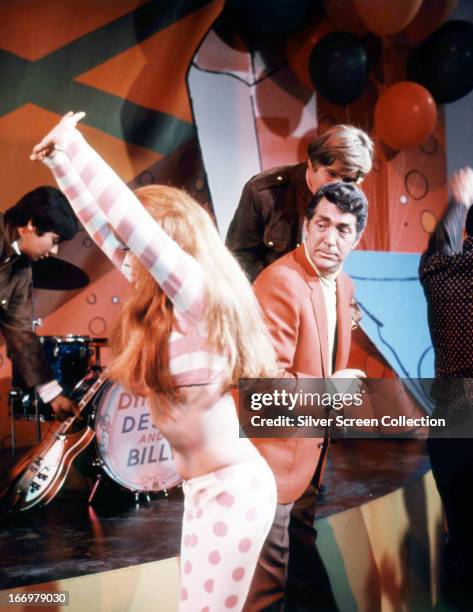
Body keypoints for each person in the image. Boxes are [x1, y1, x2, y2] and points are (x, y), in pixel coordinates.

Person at [32, 111, 278, 611]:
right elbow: (106, 231)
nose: (128, 254)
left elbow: (128, 221)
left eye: (141, 246)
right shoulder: (167, 301)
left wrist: (74, 144)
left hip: (233, 490)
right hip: (205, 491)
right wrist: (61, 162)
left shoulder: (196, 293)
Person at [245, 182, 368, 611]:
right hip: (272, 462)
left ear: (357, 238)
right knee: (267, 593)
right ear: (305, 225)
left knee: (297, 579)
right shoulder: (281, 281)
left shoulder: (344, 285)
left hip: (311, 455)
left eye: (342, 229)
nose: (329, 239)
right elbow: (262, 387)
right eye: (321, 224)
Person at [419, 167, 473, 610]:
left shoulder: (438, 271)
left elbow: (439, 243)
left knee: (463, 535)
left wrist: (458, 201)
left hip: (449, 426)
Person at [226, 124, 374, 281]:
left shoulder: (354, 203)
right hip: (266, 295)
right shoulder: (263, 190)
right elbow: (239, 255)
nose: (339, 186)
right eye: (332, 174)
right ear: (312, 163)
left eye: (348, 180)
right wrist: (271, 291)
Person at [1, 186, 78, 419]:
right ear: (33, 225)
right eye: (54, 240)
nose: (54, 251)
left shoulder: (22, 270)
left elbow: (21, 333)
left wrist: (53, 395)